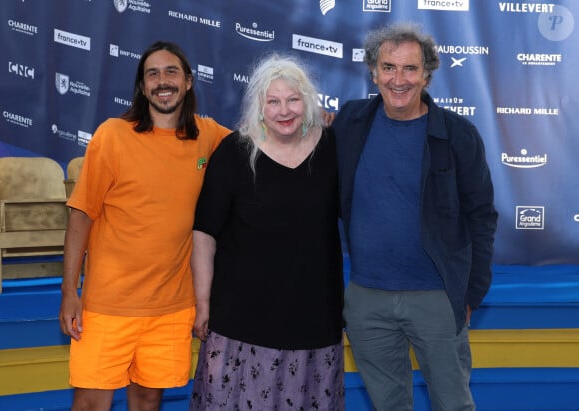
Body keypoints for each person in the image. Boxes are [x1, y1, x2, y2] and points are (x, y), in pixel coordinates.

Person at [332, 23, 498, 411]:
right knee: (389, 405)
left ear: (427, 73)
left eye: (410, 69)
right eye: (389, 67)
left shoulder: (457, 134)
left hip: (436, 297)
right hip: (367, 299)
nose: (399, 79)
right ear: (373, 73)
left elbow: (482, 216)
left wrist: (471, 292)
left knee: (453, 404)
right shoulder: (351, 122)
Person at [58, 41, 231, 410]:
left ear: (188, 82)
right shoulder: (112, 135)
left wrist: (320, 123)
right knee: (90, 402)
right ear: (142, 86)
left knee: (149, 400)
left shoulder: (209, 135)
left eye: (171, 72)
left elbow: (264, 146)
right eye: (152, 74)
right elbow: (81, 214)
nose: (162, 81)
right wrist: (69, 291)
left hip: (171, 308)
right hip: (107, 306)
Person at [189, 53, 344, 410]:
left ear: (308, 101)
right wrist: (202, 303)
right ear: (259, 107)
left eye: (293, 99)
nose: (284, 110)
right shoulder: (233, 153)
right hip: (239, 323)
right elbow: (204, 234)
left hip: (314, 320)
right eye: (273, 101)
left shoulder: (334, 148)